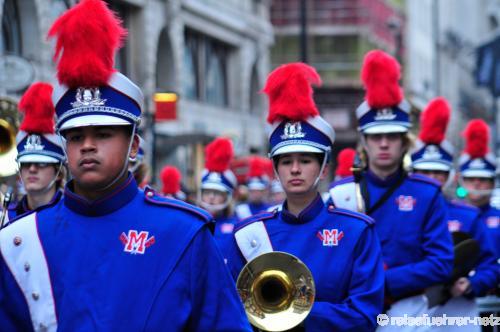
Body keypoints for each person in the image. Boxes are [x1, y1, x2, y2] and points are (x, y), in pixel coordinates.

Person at [0, 1, 251, 331]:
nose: (87, 145)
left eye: (103, 134)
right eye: (75, 136)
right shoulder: (18, 240)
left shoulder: (183, 232)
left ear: (133, 145)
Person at [223, 63, 384, 331]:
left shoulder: (356, 230)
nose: (295, 169)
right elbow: (230, 310)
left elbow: (366, 314)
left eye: (306, 160)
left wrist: (294, 311)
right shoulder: (249, 233)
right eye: (286, 161)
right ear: (275, 169)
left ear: (323, 169)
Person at [328, 50, 453, 329]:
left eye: (392, 136)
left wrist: (384, 281)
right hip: (353, 313)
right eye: (376, 136)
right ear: (365, 141)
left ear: (404, 141)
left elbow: (442, 262)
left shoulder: (427, 194)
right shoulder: (340, 195)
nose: (384, 144)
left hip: (407, 313)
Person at [410, 97, 498, 330]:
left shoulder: (469, 216)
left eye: (438, 172)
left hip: (458, 316)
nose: (431, 178)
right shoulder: (400, 214)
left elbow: (491, 266)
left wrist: (470, 283)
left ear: (448, 176)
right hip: (409, 314)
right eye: (425, 171)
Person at [5, 82, 66, 223]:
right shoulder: (6, 219)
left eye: (42, 163)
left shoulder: (72, 217)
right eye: (26, 163)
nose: (32, 169)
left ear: (59, 173)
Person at [458, 119, 499, 258]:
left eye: (482, 179)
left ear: (493, 183)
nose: (476, 184)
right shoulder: (449, 214)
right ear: (462, 181)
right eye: (470, 179)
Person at [198, 137, 239, 253]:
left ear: (227, 196)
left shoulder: (238, 226)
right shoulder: (192, 223)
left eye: (217, 193)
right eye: (207, 192)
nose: (211, 197)